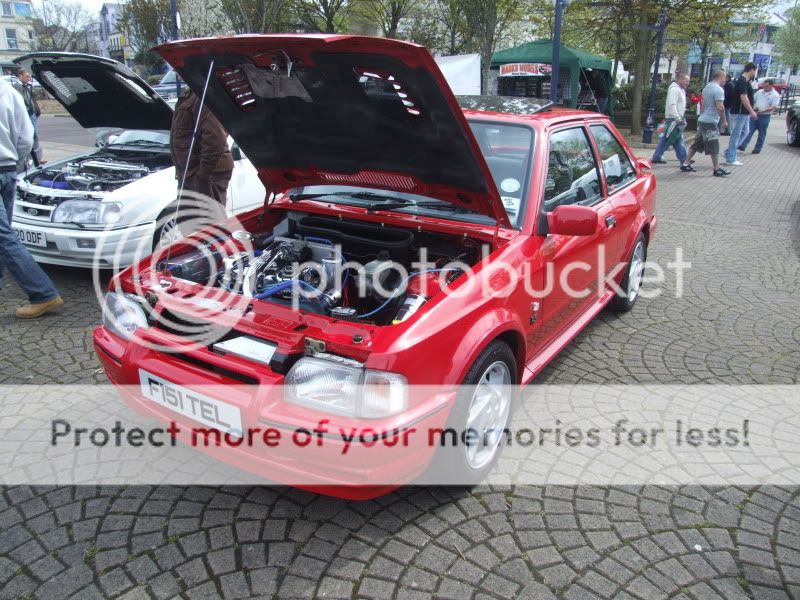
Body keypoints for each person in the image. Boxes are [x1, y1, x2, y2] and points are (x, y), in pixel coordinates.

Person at [0, 78, 63, 318]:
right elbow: (28, 138)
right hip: (8, 170)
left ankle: (44, 294)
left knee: (4, 238)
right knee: (4, 234)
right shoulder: (10, 92)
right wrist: (14, 159)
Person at [170, 88, 234, 207]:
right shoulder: (190, 94)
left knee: (210, 223)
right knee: (189, 224)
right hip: (189, 174)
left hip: (205, 175)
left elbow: (216, 141)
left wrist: (202, 175)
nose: (174, 70)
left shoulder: (202, 94)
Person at [680, 69, 729, 177]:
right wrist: (724, 121)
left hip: (702, 120)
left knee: (697, 144)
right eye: (724, 77)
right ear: (720, 77)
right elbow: (720, 107)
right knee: (714, 144)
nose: (725, 80)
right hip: (710, 121)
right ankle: (716, 169)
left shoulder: (707, 88)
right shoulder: (718, 90)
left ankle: (685, 163)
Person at [724, 62, 758, 166]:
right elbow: (744, 97)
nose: (754, 73)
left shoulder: (745, 81)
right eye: (754, 71)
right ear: (751, 70)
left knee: (745, 131)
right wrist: (751, 111)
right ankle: (731, 157)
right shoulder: (742, 81)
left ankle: (729, 152)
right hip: (740, 111)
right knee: (737, 133)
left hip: (744, 112)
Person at [651, 74, 690, 164]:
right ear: (680, 79)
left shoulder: (680, 90)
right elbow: (672, 104)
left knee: (668, 138)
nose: (688, 83)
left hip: (675, 118)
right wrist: (677, 117)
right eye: (687, 81)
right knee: (677, 137)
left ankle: (657, 156)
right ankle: (683, 159)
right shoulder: (675, 90)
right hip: (674, 118)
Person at [737, 79, 781, 154]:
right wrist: (752, 108)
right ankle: (743, 145)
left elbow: (773, 106)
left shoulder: (775, 95)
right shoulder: (760, 92)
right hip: (755, 114)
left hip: (765, 116)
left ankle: (757, 148)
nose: (765, 88)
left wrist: (763, 110)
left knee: (762, 133)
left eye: (766, 86)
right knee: (749, 130)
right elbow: (753, 99)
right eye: (764, 86)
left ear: (771, 85)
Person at [15, 68, 42, 166]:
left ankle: (37, 157)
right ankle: (34, 159)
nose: (29, 78)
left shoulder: (25, 86)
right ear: (20, 76)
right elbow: (22, 101)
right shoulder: (17, 87)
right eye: (27, 76)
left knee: (34, 136)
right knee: (31, 136)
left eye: (29, 76)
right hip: (28, 114)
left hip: (31, 113)